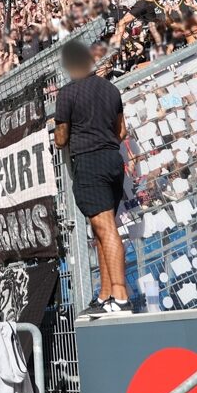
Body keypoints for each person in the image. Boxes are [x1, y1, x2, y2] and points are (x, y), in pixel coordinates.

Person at [54, 39, 130, 315]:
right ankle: (106, 293)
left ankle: (120, 295)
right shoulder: (111, 89)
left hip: (90, 161)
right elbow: (121, 131)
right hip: (112, 160)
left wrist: (59, 133)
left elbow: (61, 138)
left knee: (106, 227)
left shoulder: (67, 93)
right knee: (100, 229)